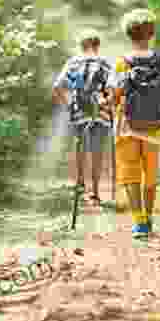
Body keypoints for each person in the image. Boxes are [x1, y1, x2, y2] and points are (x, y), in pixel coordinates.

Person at [105, 9, 160, 237]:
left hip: (126, 126)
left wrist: (107, 102)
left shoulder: (121, 63)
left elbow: (113, 95)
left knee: (130, 172)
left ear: (128, 35)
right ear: (152, 34)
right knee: (150, 173)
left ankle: (139, 222)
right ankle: (149, 217)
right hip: (154, 126)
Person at [52, 29, 113, 205]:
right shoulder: (105, 63)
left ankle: (80, 185)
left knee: (80, 148)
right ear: (97, 45)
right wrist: (108, 105)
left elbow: (58, 87)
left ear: (82, 46)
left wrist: (69, 104)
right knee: (97, 151)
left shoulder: (73, 62)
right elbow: (112, 89)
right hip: (100, 113)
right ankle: (95, 192)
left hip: (79, 112)